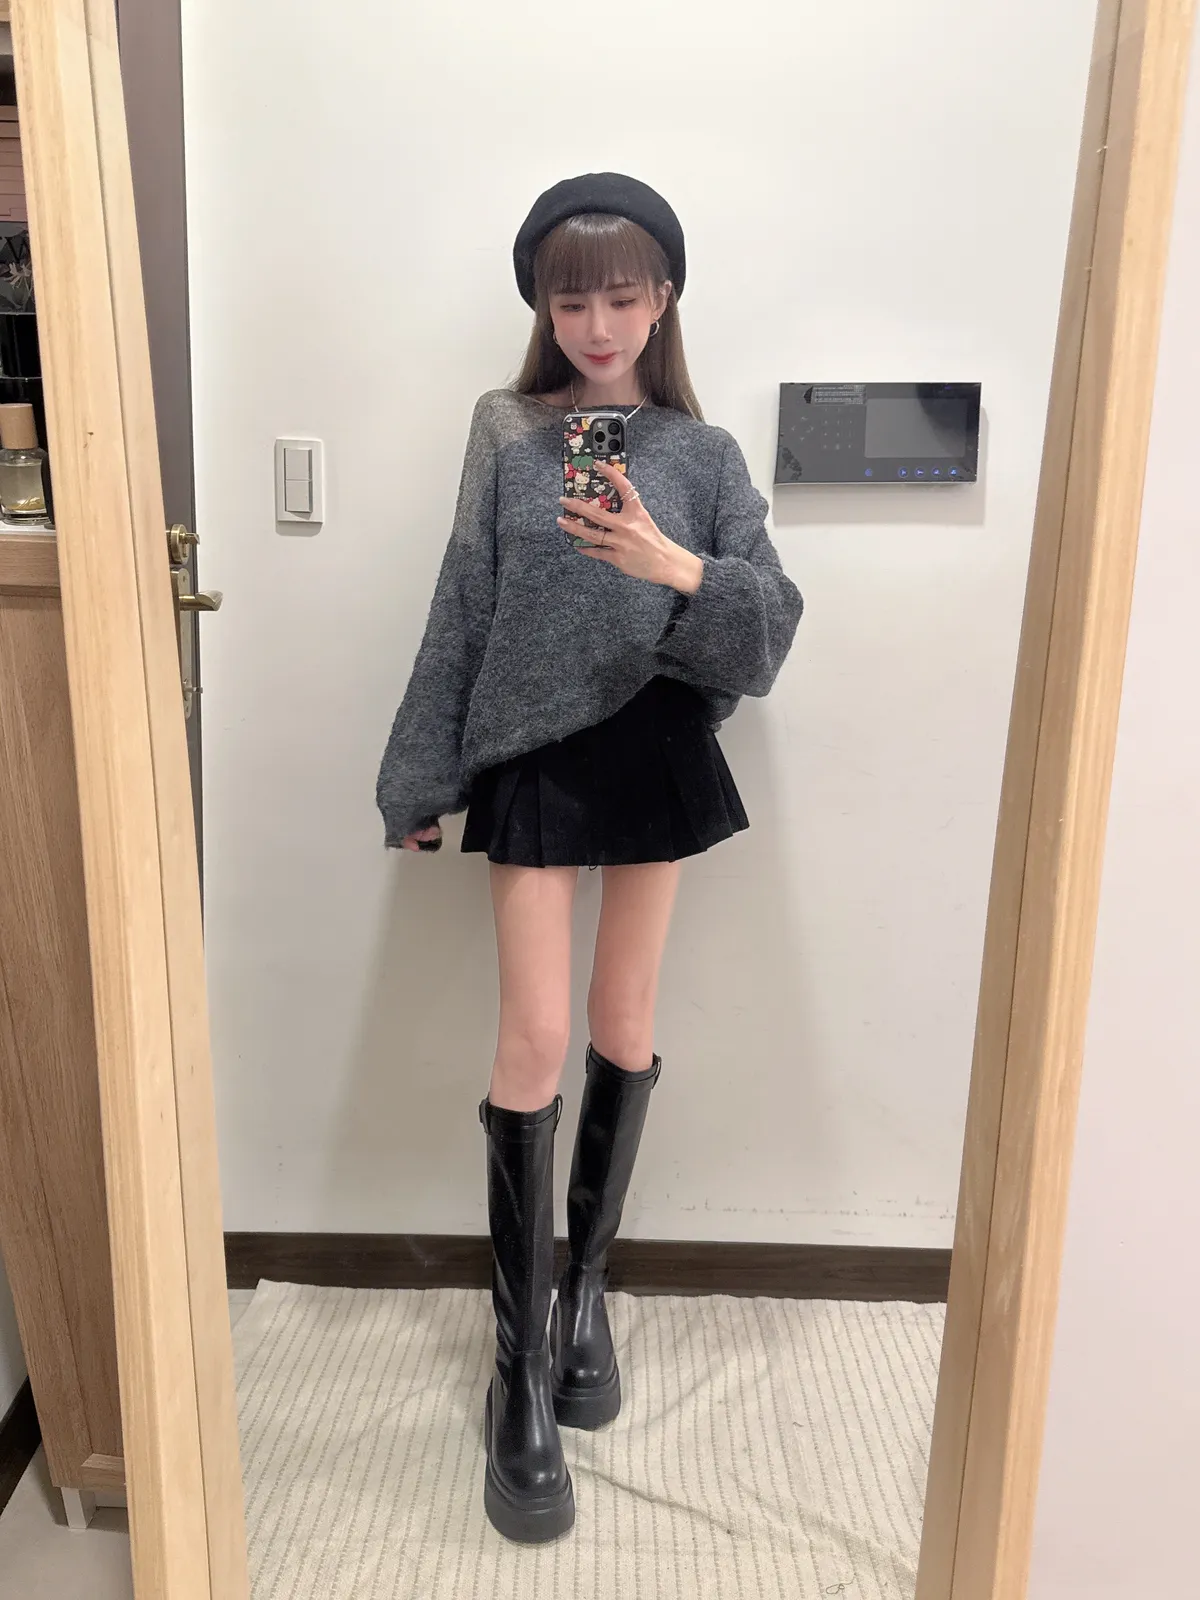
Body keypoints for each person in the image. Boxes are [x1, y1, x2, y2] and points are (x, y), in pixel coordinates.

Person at [375, 171, 804, 1545]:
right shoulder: (505, 430)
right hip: (532, 751)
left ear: (663, 298)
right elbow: (465, 595)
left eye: (623, 296)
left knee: (624, 1024)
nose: (599, 324)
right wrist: (419, 775)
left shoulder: (706, 453)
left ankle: (583, 1299)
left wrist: (675, 567)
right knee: (536, 1039)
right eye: (572, 302)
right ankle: (519, 1374)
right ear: (543, 309)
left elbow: (770, 627)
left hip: (653, 747)